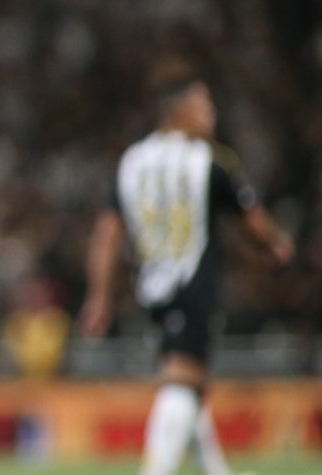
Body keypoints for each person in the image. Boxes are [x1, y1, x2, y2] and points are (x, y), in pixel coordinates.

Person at [79, 75, 294, 475]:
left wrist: (99, 297)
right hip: (194, 283)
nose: (211, 115)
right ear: (181, 113)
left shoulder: (132, 161)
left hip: (152, 287)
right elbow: (253, 221)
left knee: (190, 382)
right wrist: (279, 246)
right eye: (204, 105)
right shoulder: (207, 159)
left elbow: (107, 233)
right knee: (182, 378)